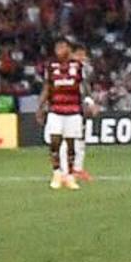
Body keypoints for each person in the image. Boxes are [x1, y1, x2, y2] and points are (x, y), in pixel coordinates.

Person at [40, 36, 94, 188]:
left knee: (71, 144)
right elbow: (47, 87)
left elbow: (84, 87)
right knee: (55, 141)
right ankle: (57, 173)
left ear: (69, 49)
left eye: (63, 47)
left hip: (73, 110)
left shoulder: (78, 66)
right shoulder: (51, 66)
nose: (60, 50)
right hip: (55, 110)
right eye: (58, 48)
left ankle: (69, 175)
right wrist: (40, 107)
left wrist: (90, 102)